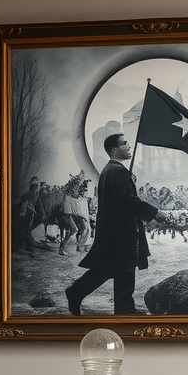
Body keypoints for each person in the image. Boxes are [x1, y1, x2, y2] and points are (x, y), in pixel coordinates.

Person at [64, 134, 159, 317]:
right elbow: (129, 201)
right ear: (114, 149)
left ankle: (124, 309)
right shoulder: (116, 171)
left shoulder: (112, 170)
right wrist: (156, 214)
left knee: (119, 268)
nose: (129, 146)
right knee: (114, 268)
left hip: (119, 230)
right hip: (120, 231)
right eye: (125, 144)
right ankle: (76, 292)